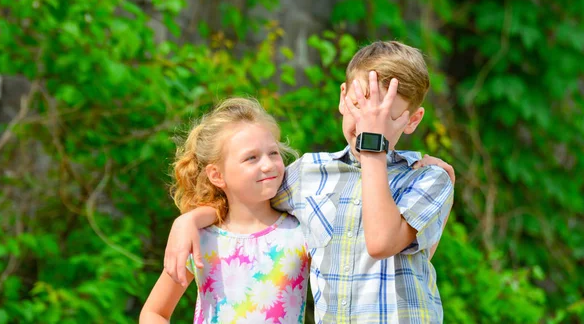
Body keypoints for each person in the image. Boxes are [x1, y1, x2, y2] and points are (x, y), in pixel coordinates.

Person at [164, 41, 455, 323]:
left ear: (413, 120)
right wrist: (188, 221)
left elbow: (381, 243)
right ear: (343, 97)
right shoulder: (308, 174)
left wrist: (373, 148)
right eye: (358, 107)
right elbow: (244, 200)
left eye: (382, 117)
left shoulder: (427, 178)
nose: (367, 125)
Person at [140, 98, 310, 323]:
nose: (268, 164)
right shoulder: (200, 239)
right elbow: (153, 313)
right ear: (217, 175)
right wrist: (188, 221)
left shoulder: (302, 232)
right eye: (251, 158)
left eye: (273, 153)